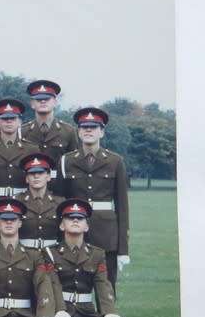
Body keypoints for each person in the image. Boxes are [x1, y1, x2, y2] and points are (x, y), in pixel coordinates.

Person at [59, 107, 130, 288]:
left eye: (93, 126)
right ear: (78, 132)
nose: (88, 130)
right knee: (73, 284)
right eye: (84, 127)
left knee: (106, 286)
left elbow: (122, 207)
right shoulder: (66, 161)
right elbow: (60, 200)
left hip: (106, 235)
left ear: (102, 132)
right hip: (74, 232)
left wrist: (123, 249)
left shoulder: (115, 161)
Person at [0, 99, 38, 198]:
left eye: (13, 118)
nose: (9, 121)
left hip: (22, 202)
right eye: (5, 118)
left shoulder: (31, 149)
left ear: (20, 122)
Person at [20, 80, 78, 179]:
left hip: (59, 187)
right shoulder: (22, 131)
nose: (43, 101)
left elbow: (73, 164)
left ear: (55, 102)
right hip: (31, 185)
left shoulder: (69, 131)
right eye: (38, 99)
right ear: (32, 104)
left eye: (47, 99)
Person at [17, 153, 64, 250]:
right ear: (26, 178)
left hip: (52, 253)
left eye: (41, 172)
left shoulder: (60, 202)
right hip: (25, 254)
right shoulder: (17, 201)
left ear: (48, 177)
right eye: (31, 173)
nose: (36, 176)